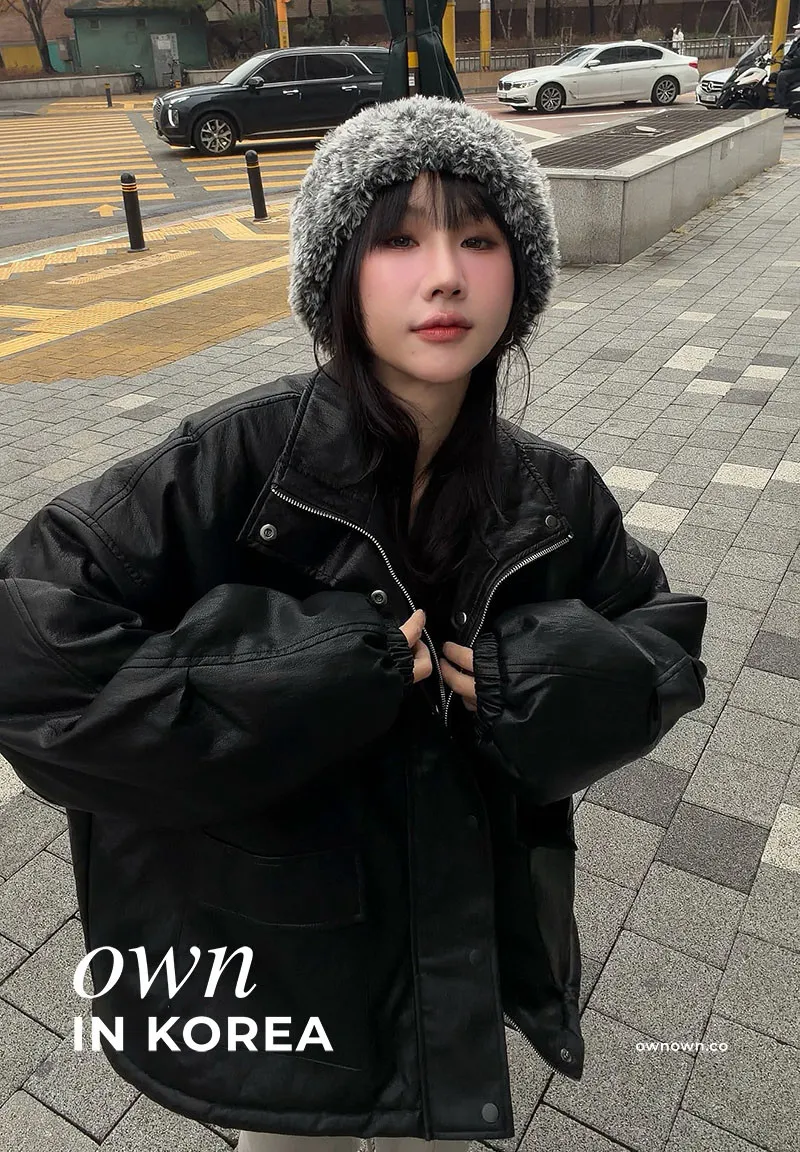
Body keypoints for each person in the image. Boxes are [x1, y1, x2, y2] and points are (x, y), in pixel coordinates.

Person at [0, 97, 707, 1152]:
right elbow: (31, 655)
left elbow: (659, 637)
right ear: (336, 274)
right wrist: (294, 676)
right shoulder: (226, 465)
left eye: (480, 239)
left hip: (453, 937)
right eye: (397, 241)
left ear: (520, 277)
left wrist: (556, 678)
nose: (445, 275)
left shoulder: (551, 491)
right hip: (278, 954)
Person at [776, 20, 800, 107]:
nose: (795, 31)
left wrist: (789, 63)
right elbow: (789, 54)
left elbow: (798, 59)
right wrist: (785, 60)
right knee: (774, 75)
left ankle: (781, 102)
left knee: (782, 76)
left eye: (798, 29)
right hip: (794, 67)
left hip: (798, 69)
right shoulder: (796, 42)